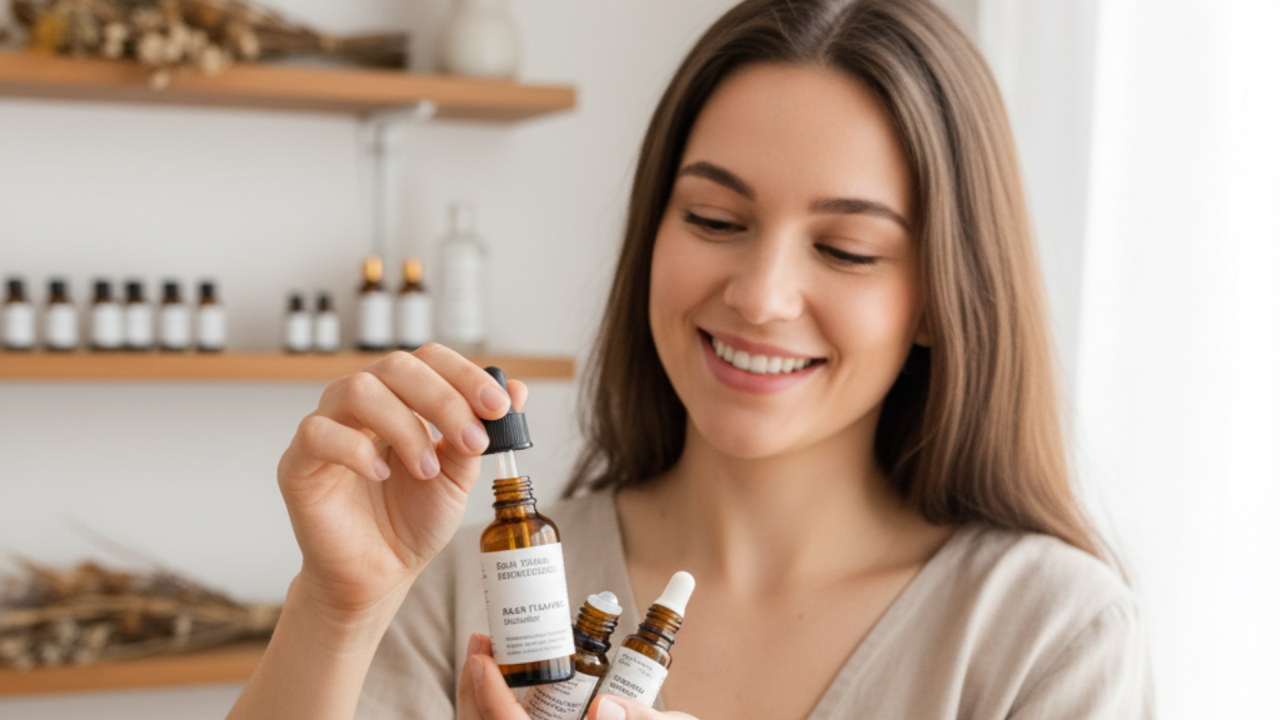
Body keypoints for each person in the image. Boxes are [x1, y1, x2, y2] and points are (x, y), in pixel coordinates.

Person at [228, 0, 1152, 718]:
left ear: (942, 298)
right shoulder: (471, 592)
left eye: (846, 249)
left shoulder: (1050, 634)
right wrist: (336, 607)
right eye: (714, 220)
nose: (759, 294)